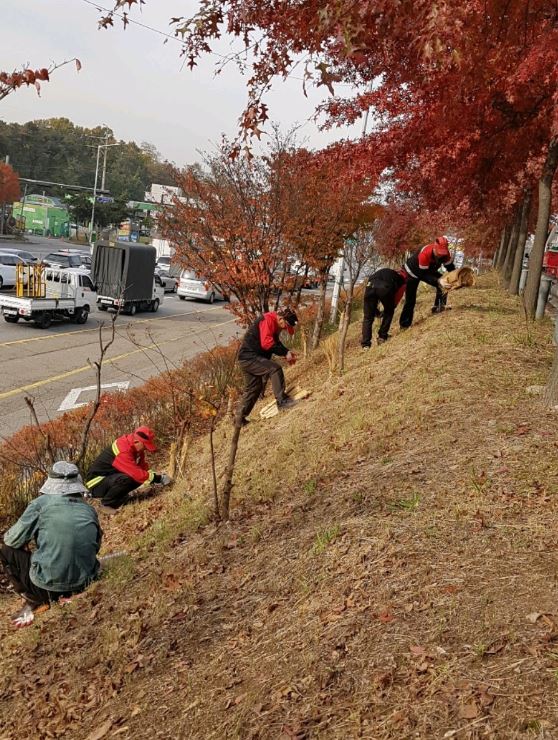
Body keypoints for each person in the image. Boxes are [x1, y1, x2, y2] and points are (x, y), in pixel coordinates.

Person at [0, 461, 102, 628]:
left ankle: (36, 599)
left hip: (48, 586)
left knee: (7, 551)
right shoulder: (88, 509)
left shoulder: (40, 504)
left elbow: (11, 540)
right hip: (85, 580)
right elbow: (96, 546)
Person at [235, 307, 299, 426]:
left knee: (254, 388)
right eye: (286, 326)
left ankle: (239, 420)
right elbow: (267, 344)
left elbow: (275, 342)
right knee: (274, 369)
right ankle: (282, 402)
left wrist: (287, 352)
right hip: (249, 357)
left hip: (249, 358)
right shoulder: (268, 320)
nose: (285, 329)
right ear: (281, 318)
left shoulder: (275, 324)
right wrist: (285, 353)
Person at [85, 426, 172, 512]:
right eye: (145, 446)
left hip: (110, 478)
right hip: (96, 483)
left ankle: (120, 498)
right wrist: (159, 478)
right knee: (127, 479)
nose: (145, 449)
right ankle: (107, 504)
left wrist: (153, 475)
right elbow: (135, 473)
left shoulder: (136, 449)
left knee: (138, 477)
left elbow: (142, 468)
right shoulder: (123, 450)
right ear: (137, 441)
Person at [399, 236, 455, 328]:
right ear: (434, 248)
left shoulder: (446, 254)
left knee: (444, 283)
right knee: (410, 300)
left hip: (427, 270)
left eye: (443, 253)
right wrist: (438, 280)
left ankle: (439, 307)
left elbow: (450, 268)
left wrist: (456, 277)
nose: (440, 255)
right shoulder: (425, 253)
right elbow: (423, 274)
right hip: (412, 272)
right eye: (439, 253)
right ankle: (404, 325)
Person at [361, 267, 408, 348]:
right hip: (384, 287)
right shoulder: (403, 280)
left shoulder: (385, 271)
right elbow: (395, 301)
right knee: (389, 312)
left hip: (369, 286)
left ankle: (365, 344)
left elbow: (373, 292)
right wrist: (390, 307)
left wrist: (376, 312)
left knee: (368, 318)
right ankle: (382, 337)